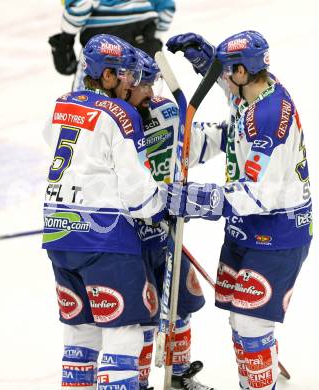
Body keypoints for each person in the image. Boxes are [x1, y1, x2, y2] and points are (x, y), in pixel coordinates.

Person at [165, 30, 313, 390]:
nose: (223, 78)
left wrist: (199, 199)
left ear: (243, 73)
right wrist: (208, 64)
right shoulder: (255, 91)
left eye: (226, 70)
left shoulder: (270, 119)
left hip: (276, 231)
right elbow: (234, 110)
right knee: (241, 323)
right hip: (246, 229)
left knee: (250, 325)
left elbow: (258, 195)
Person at [42, 34, 167, 390]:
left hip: (59, 234)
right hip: (106, 240)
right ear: (108, 76)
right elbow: (139, 194)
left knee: (80, 335)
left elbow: (53, 141)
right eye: (126, 74)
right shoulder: (122, 114)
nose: (131, 80)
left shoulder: (61, 104)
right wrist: (162, 206)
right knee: (123, 336)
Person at [128, 48, 214, 390]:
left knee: (181, 303)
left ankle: (179, 374)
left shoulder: (167, 110)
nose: (151, 92)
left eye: (153, 83)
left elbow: (194, 146)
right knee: (141, 315)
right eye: (144, 84)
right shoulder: (114, 118)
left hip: (166, 230)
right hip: (127, 237)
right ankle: (140, 381)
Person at [48, 0, 176, 90]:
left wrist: (66, 37)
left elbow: (79, 6)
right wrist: (154, 37)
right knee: (145, 104)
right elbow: (167, 7)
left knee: (86, 103)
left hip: (105, 49)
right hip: (144, 45)